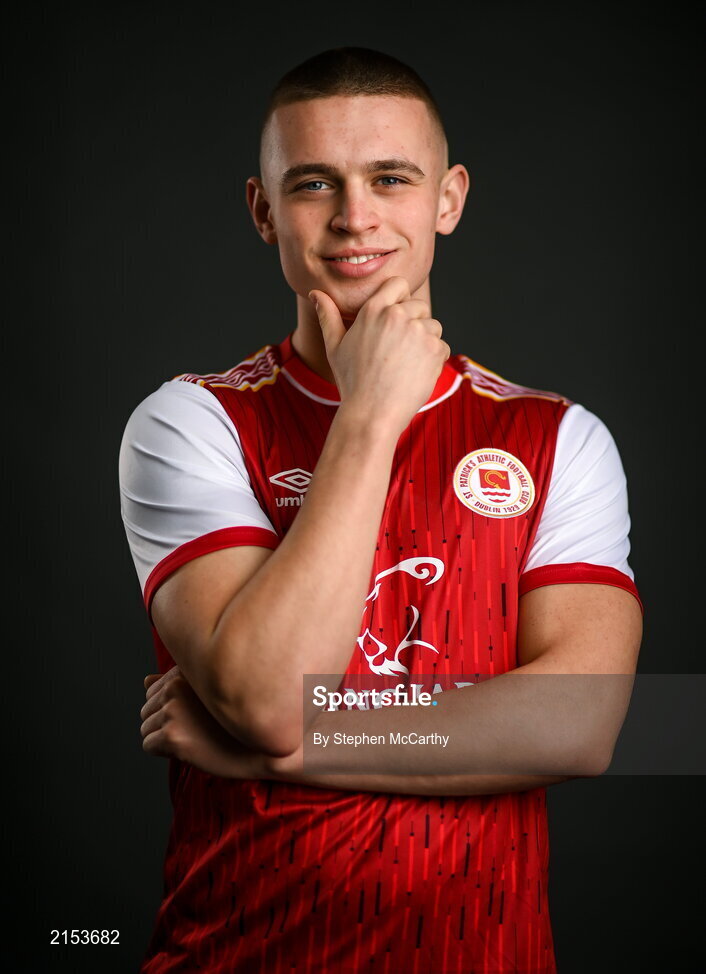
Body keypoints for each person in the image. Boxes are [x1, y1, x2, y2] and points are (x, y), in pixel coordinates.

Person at [119, 47, 643, 974]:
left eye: (391, 179)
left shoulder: (559, 437)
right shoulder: (192, 421)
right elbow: (273, 694)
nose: (355, 218)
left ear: (448, 199)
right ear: (263, 210)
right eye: (315, 184)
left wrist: (275, 750)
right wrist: (367, 417)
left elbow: (583, 724)